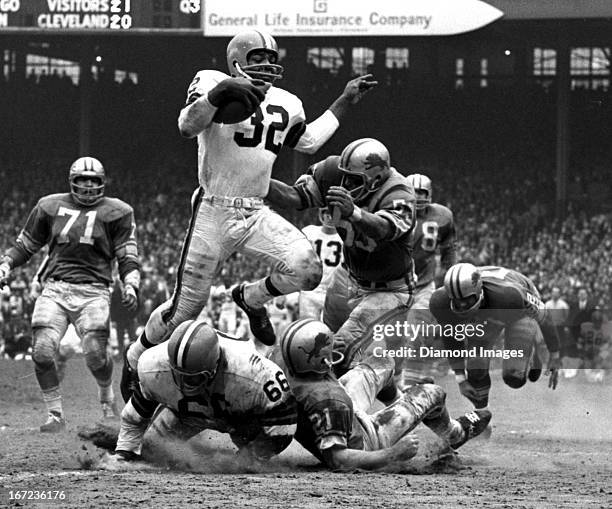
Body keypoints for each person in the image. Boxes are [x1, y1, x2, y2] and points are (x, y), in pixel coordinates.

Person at [122, 30, 377, 399]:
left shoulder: (288, 101)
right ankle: (134, 357)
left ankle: (252, 298)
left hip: (256, 209)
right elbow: (187, 126)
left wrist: (345, 100)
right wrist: (219, 93)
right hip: (213, 208)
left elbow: (308, 142)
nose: (268, 65)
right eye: (258, 57)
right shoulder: (211, 79)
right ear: (238, 59)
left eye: (272, 59)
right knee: (184, 310)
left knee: (307, 269)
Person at [0, 157, 140, 432]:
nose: (88, 185)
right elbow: (26, 245)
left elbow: (128, 254)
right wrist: (5, 264)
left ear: (102, 183)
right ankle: (55, 414)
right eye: (83, 180)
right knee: (41, 351)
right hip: (55, 287)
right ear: (72, 181)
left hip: (94, 290)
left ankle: (106, 395)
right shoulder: (49, 205)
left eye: (94, 180)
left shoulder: (119, 211)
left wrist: (131, 283)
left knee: (95, 355)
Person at [266, 139, 416, 377]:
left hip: (389, 288)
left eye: (354, 180)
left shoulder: (399, 192)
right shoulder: (333, 172)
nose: (345, 184)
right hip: (348, 276)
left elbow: (383, 230)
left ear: (376, 179)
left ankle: (336, 405)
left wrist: (354, 212)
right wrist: (257, 181)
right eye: (343, 176)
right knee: (321, 339)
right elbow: (295, 197)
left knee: (340, 349)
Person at [271, 319, 491, 471]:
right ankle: (456, 433)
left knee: (382, 362)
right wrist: (392, 454)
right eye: (325, 349)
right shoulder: (328, 400)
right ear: (317, 359)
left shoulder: (282, 359)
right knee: (433, 392)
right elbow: (338, 459)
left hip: (342, 407)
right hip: (364, 439)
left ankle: (401, 404)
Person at [108, 319, 297, 466]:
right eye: (178, 375)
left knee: (246, 458)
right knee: (153, 453)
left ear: (215, 368)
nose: (184, 384)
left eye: (193, 378)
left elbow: (284, 425)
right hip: (186, 414)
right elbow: (135, 416)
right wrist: (125, 451)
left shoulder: (255, 375)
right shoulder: (153, 366)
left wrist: (249, 457)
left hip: (241, 417)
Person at [429, 263, 563, 414]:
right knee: (476, 366)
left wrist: (554, 354)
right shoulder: (440, 302)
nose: (462, 306)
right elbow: (452, 337)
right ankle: (481, 414)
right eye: (457, 301)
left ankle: (531, 353)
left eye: (467, 300)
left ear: (478, 291)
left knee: (514, 377)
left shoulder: (510, 296)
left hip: (516, 311)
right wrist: (461, 378)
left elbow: (544, 316)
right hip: (486, 316)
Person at [397, 173, 456, 388]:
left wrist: (451, 277)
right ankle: (395, 383)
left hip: (423, 284)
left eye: (422, 192)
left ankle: (409, 386)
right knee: (391, 339)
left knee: (418, 334)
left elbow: (449, 249)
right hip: (395, 284)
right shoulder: (394, 212)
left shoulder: (443, 216)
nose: (418, 196)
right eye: (414, 192)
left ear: (429, 193)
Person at [298, 208, 343, 320]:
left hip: (333, 292)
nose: (330, 217)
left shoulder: (344, 238)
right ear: (321, 214)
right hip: (310, 290)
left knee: (329, 330)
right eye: (327, 213)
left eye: (333, 214)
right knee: (308, 329)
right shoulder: (309, 232)